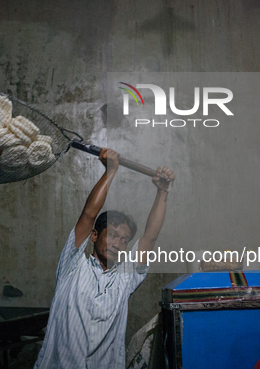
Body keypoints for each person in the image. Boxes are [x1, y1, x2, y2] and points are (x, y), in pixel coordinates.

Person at [34, 148, 174, 369]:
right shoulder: (73, 266)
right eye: (114, 235)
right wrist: (110, 171)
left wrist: (163, 192)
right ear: (94, 235)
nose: (118, 244)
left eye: (124, 240)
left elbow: (150, 236)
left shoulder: (125, 278)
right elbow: (89, 214)